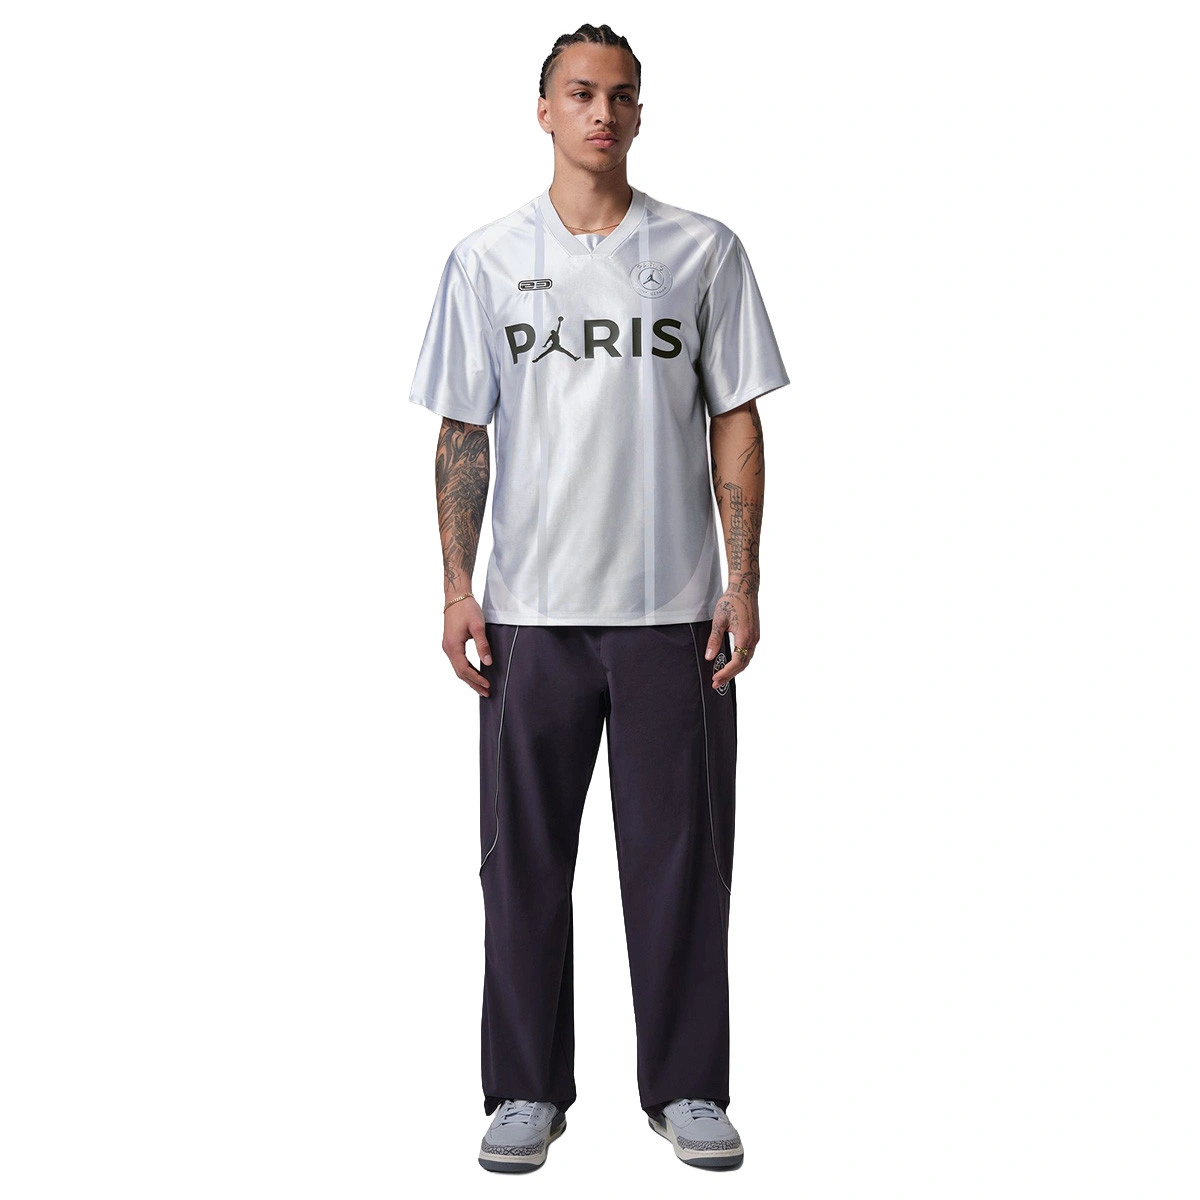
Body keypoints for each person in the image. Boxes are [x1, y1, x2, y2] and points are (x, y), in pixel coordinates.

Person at [408, 22, 789, 1173]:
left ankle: (688, 1088)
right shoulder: (486, 259)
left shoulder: (704, 251)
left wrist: (743, 581)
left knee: (683, 866)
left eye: (621, 96)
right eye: (580, 93)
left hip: (672, 611)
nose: (602, 114)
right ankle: (526, 1088)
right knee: (522, 863)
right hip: (531, 611)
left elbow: (736, 415)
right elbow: (463, 429)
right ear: (544, 110)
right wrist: (457, 588)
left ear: (639, 113)